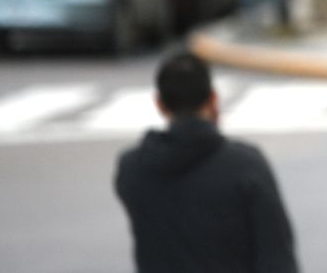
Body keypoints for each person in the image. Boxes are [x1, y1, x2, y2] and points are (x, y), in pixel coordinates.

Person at [115, 51, 299, 273]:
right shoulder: (246, 166)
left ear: (160, 104)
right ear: (213, 99)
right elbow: (277, 257)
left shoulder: (132, 169)